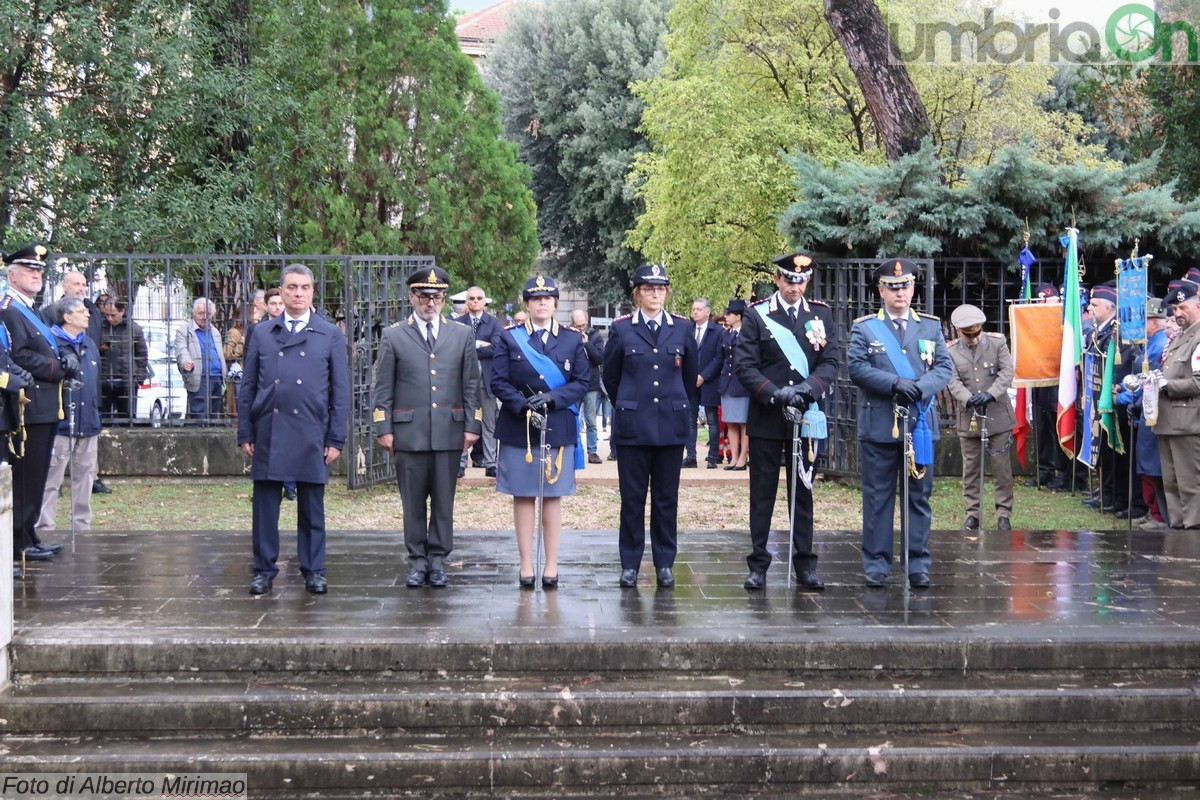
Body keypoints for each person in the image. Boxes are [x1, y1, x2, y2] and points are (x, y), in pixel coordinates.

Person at [238, 264, 349, 595]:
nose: (298, 293)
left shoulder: (329, 334)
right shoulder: (262, 333)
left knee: (312, 507)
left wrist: (336, 437)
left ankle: (314, 569)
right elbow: (248, 387)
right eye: (291, 287)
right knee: (265, 507)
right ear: (281, 292)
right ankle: (263, 569)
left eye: (304, 288)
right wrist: (246, 432)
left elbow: (339, 392)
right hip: (269, 429)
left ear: (312, 292)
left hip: (312, 431)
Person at [735, 253, 841, 591]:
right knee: (762, 495)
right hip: (768, 415)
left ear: (806, 281)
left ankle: (805, 564)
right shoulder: (757, 315)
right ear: (778, 280)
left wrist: (808, 389)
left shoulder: (821, 314)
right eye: (789, 280)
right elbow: (746, 366)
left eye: (801, 280)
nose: (795, 286)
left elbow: (831, 361)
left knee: (804, 493)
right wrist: (775, 393)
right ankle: (758, 565)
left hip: (806, 416)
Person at [373, 267, 481, 588]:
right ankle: (417, 560)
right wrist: (384, 428)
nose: (430, 303)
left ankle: (438, 559)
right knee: (413, 502)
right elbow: (383, 389)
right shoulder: (393, 335)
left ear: (444, 298)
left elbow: (471, 384)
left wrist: (472, 425)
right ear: (412, 297)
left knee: (444, 501)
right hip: (409, 433)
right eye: (424, 296)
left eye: (436, 297)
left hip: (449, 431)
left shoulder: (461, 334)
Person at [848, 258, 952, 589]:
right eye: (893, 287)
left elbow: (945, 368)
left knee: (919, 497)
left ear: (913, 288)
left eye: (905, 286)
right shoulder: (864, 328)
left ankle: (917, 562)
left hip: (919, 425)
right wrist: (894, 383)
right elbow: (857, 368)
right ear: (881, 290)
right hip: (881, 425)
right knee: (878, 498)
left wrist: (919, 387)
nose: (900, 293)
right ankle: (877, 565)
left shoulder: (931, 327)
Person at [602, 264, 698, 589]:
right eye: (648, 288)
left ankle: (664, 563)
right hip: (633, 427)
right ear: (638, 292)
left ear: (666, 292)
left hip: (670, 426)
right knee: (632, 499)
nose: (655, 294)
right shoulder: (622, 329)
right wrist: (630, 403)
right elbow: (610, 377)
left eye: (660, 289)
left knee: (666, 499)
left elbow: (689, 378)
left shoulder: (683, 329)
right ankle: (630, 563)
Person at [492, 276, 589, 589]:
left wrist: (553, 398)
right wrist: (523, 405)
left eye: (548, 298)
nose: (542, 303)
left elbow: (582, 383)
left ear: (556, 303)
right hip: (520, 426)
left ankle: (551, 565)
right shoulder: (510, 338)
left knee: (552, 497)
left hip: (557, 426)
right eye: (536, 299)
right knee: (523, 496)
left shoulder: (573, 340)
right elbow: (498, 381)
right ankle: (525, 564)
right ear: (527, 304)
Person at [0, 244, 74, 567]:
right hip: (28, 404)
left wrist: (64, 358)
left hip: (44, 404)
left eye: (39, 270)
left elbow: (40, 347)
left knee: (38, 474)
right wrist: (57, 367)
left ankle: (28, 535)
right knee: (26, 477)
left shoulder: (27, 307)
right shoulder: (9, 306)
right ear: (11, 274)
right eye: (29, 269)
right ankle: (19, 541)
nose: (36, 274)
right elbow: (19, 356)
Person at [946, 303, 1015, 531]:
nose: (974, 339)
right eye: (968, 335)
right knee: (971, 468)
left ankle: (1004, 514)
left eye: (976, 333)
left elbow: (1007, 372)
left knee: (1001, 466)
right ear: (958, 331)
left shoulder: (997, 343)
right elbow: (952, 380)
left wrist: (991, 394)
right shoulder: (952, 351)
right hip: (970, 416)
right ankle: (972, 514)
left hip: (997, 414)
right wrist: (967, 398)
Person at [37, 297, 102, 537]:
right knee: (50, 480)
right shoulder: (50, 343)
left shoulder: (90, 344)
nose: (88, 314)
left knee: (84, 479)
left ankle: (81, 528)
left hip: (88, 424)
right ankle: (44, 529)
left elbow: (95, 382)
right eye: (82, 311)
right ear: (67, 317)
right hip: (60, 425)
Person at [1080, 283, 1141, 517]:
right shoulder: (1101, 331)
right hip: (1101, 397)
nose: (1090, 307)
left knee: (1116, 452)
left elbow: (1124, 365)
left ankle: (1117, 496)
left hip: (1116, 398)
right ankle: (1107, 493)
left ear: (1110, 307)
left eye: (1095, 305)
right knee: (1105, 450)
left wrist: (1118, 388)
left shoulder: (1118, 333)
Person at [1116, 297, 1170, 530]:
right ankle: (1152, 511)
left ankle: (1158, 514)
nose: (1141, 325)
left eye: (1145, 320)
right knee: (1146, 464)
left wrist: (1123, 398)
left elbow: (1150, 383)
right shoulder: (1152, 343)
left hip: (1152, 412)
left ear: (1155, 323)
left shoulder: (1159, 346)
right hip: (1145, 411)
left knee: (1152, 466)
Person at [1154, 278, 1200, 530]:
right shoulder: (1180, 337)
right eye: (1174, 310)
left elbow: (1198, 383)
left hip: (1189, 423)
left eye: (1183, 308)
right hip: (1169, 421)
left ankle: (1193, 534)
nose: (1178, 314)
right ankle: (1179, 532)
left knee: (1189, 484)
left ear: (1198, 306)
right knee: (1171, 483)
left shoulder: (1198, 338)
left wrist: (1165, 386)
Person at [454, 286, 503, 478]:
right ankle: (460, 463)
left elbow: (496, 348)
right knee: (462, 421)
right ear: (466, 301)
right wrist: (480, 344)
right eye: (471, 298)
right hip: (462, 381)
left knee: (489, 423)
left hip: (486, 381)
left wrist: (470, 347)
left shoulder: (494, 323)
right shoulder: (458, 323)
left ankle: (491, 463)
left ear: (485, 301)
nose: (475, 301)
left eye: (479, 298)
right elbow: (456, 349)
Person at [684, 298, 724, 469]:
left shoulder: (718, 331)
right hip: (690, 382)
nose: (695, 312)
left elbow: (719, 358)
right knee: (690, 420)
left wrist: (704, 376)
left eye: (699, 309)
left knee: (712, 420)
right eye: (693, 309)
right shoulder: (688, 330)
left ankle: (713, 456)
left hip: (710, 382)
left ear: (708, 312)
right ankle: (691, 457)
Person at [98, 298, 149, 425]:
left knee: (127, 420)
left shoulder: (134, 329)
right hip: (103, 380)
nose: (109, 318)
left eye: (113, 315)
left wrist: (138, 379)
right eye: (106, 315)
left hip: (126, 381)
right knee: (103, 420)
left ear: (122, 311)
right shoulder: (99, 327)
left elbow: (142, 355)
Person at [175, 297, 227, 423]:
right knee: (199, 418)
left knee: (213, 417)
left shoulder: (214, 331)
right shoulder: (184, 331)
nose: (204, 317)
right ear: (194, 314)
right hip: (199, 378)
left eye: (208, 314)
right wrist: (186, 362)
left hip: (217, 378)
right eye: (201, 313)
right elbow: (181, 351)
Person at [717, 299, 749, 470]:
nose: (725, 316)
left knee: (743, 422)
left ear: (738, 316)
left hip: (742, 384)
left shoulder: (748, 334)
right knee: (730, 422)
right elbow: (721, 358)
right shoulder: (725, 334)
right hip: (727, 383)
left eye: (729, 314)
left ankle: (743, 458)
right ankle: (734, 457)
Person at [571, 308, 605, 464]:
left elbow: (599, 358)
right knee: (572, 419)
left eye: (582, 325)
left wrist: (586, 343)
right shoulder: (568, 336)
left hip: (591, 385)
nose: (580, 329)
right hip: (574, 384)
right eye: (577, 326)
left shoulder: (595, 337)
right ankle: (572, 449)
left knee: (591, 421)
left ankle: (592, 452)